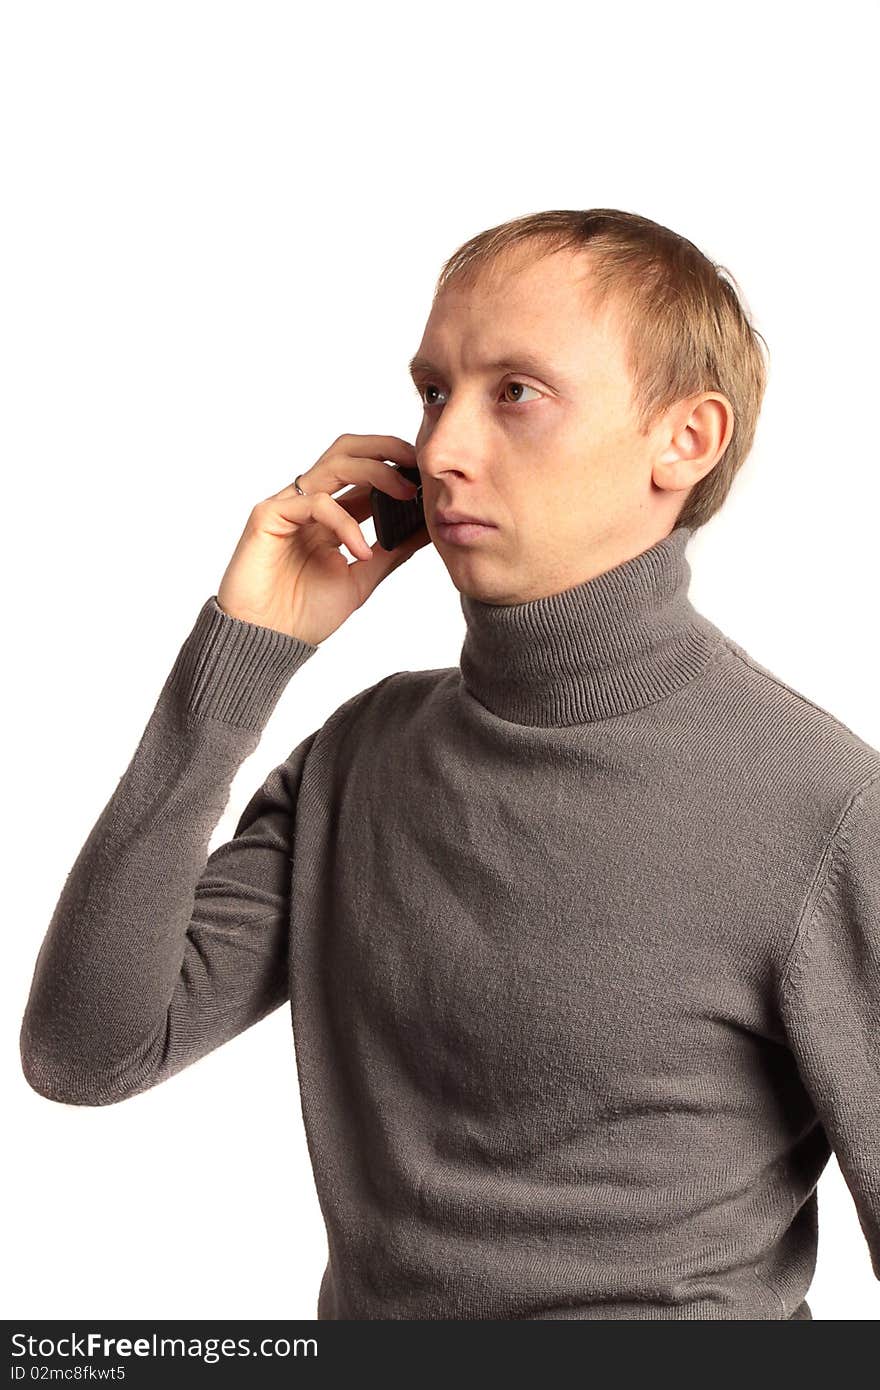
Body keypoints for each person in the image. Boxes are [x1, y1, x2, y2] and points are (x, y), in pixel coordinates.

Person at [20, 208, 880, 1320]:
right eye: (434, 392)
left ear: (686, 440)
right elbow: (87, 1051)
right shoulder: (358, 758)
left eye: (514, 391)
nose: (441, 450)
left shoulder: (822, 807)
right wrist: (237, 664)